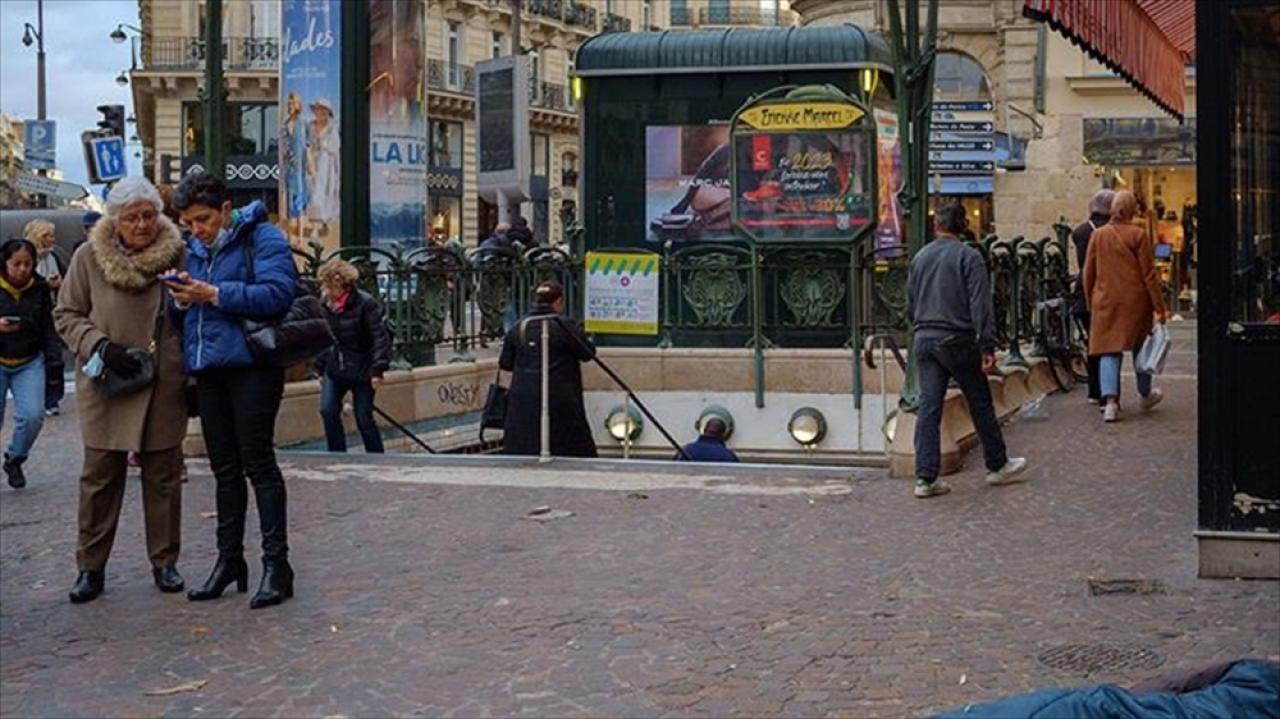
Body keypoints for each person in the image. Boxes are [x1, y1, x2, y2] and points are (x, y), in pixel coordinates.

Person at [53, 177, 188, 603]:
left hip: (162, 381)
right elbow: (67, 314)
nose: (143, 224)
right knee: (99, 479)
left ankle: (165, 562)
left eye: (149, 215)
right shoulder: (88, 258)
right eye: (133, 217)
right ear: (115, 221)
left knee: (164, 476)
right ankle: (90, 568)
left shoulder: (179, 254)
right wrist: (100, 345)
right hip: (107, 380)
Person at [167, 171, 298, 609]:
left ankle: (277, 566)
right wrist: (181, 300)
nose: (197, 230)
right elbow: (183, 310)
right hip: (208, 367)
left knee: (258, 464)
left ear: (226, 209)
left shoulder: (263, 237)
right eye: (188, 223)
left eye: (203, 219)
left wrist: (215, 293)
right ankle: (229, 562)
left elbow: (278, 294)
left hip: (252, 365)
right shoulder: (193, 249)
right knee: (223, 469)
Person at [907, 203, 1028, 499]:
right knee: (979, 401)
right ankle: (997, 464)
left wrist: (919, 328)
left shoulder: (920, 257)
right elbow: (980, 305)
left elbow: (909, 303)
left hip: (924, 336)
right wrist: (987, 344)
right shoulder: (968, 256)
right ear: (962, 228)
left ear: (937, 227)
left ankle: (925, 477)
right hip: (956, 337)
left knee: (929, 407)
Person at [1083, 190, 1168, 423]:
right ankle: (1145, 394)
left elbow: (1088, 274)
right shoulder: (1138, 235)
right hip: (1135, 301)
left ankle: (1110, 403)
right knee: (1141, 348)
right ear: (1132, 210)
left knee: (1108, 351)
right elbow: (1149, 275)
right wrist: (1159, 306)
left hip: (1105, 301)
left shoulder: (1098, 235)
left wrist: (1092, 302)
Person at [499, 281, 597, 458]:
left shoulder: (520, 326)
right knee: (569, 445)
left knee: (525, 445)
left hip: (523, 399)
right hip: (562, 396)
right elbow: (587, 353)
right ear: (559, 301)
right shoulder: (565, 326)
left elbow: (506, 363)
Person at [315, 259, 391, 454]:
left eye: (333, 287)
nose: (329, 292)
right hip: (336, 367)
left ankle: (377, 458)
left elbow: (379, 337)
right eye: (326, 286)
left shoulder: (365, 303)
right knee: (328, 410)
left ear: (345, 286)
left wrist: (377, 370)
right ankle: (337, 454)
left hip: (362, 367)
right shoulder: (324, 304)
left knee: (363, 418)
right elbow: (323, 337)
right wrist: (320, 367)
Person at [1, 239, 60, 489]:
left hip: (29, 360)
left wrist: (54, 360)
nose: (23, 269)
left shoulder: (39, 288)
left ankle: (15, 458)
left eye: (28, 264)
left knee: (33, 415)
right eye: (16, 264)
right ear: (5, 263)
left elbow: (48, 325)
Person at [1071, 189, 1115, 405]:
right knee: (1109, 346)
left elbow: (1083, 267)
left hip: (1084, 294)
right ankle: (1109, 394)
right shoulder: (1114, 231)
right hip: (1107, 293)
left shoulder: (1080, 232)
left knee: (1093, 342)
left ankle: (1094, 390)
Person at [23, 219, 68, 416]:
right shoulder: (24, 256)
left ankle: (52, 398)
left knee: (54, 357)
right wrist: (44, 285)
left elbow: (68, 281)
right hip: (31, 316)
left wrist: (60, 284)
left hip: (53, 312)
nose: (53, 239)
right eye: (48, 235)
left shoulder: (55, 257)